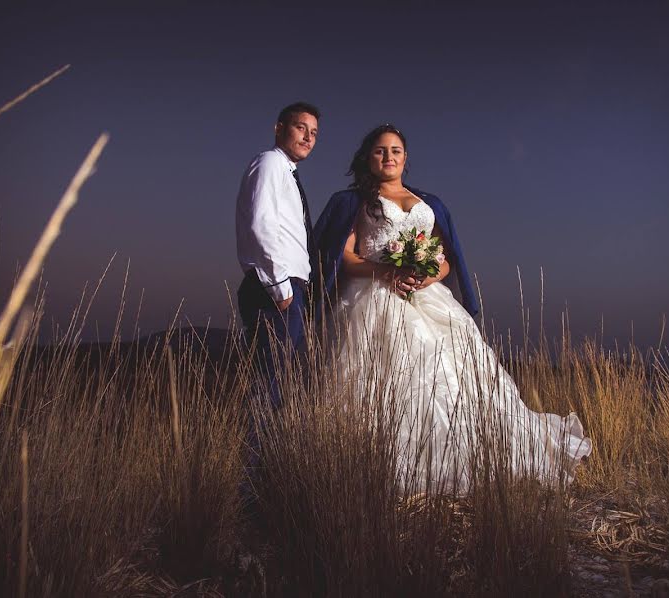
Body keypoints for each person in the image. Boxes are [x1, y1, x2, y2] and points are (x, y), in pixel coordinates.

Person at [313, 124, 592, 491]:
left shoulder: (428, 202)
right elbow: (345, 256)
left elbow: (445, 258)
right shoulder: (355, 202)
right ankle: (381, 459)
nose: (389, 157)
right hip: (375, 296)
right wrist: (385, 269)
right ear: (368, 156)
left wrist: (429, 275)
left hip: (427, 294)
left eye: (396, 151)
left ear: (405, 158)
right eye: (380, 151)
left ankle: (469, 452)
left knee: (454, 372)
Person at [235, 102, 319, 473]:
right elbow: (260, 225)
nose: (308, 137)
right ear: (279, 128)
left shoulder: (288, 173)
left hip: (289, 291)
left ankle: (269, 475)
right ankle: (252, 486)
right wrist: (281, 288)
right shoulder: (269, 163)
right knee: (269, 387)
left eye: (314, 133)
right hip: (275, 292)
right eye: (301, 128)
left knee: (281, 387)